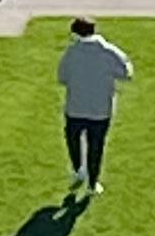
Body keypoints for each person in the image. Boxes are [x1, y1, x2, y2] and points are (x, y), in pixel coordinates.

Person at [56, 19, 133, 197]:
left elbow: (62, 77)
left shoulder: (71, 52)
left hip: (75, 107)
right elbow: (126, 73)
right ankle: (93, 182)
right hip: (100, 110)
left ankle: (78, 170)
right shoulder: (108, 52)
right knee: (96, 147)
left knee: (73, 141)